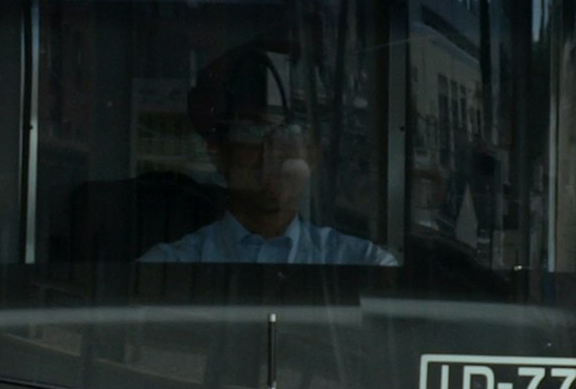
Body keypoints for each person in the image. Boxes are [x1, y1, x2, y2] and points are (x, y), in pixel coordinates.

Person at [142, 42, 395, 267]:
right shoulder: (167, 269)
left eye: (290, 130)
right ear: (217, 152)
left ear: (314, 154)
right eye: (253, 130)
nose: (273, 150)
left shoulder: (365, 267)